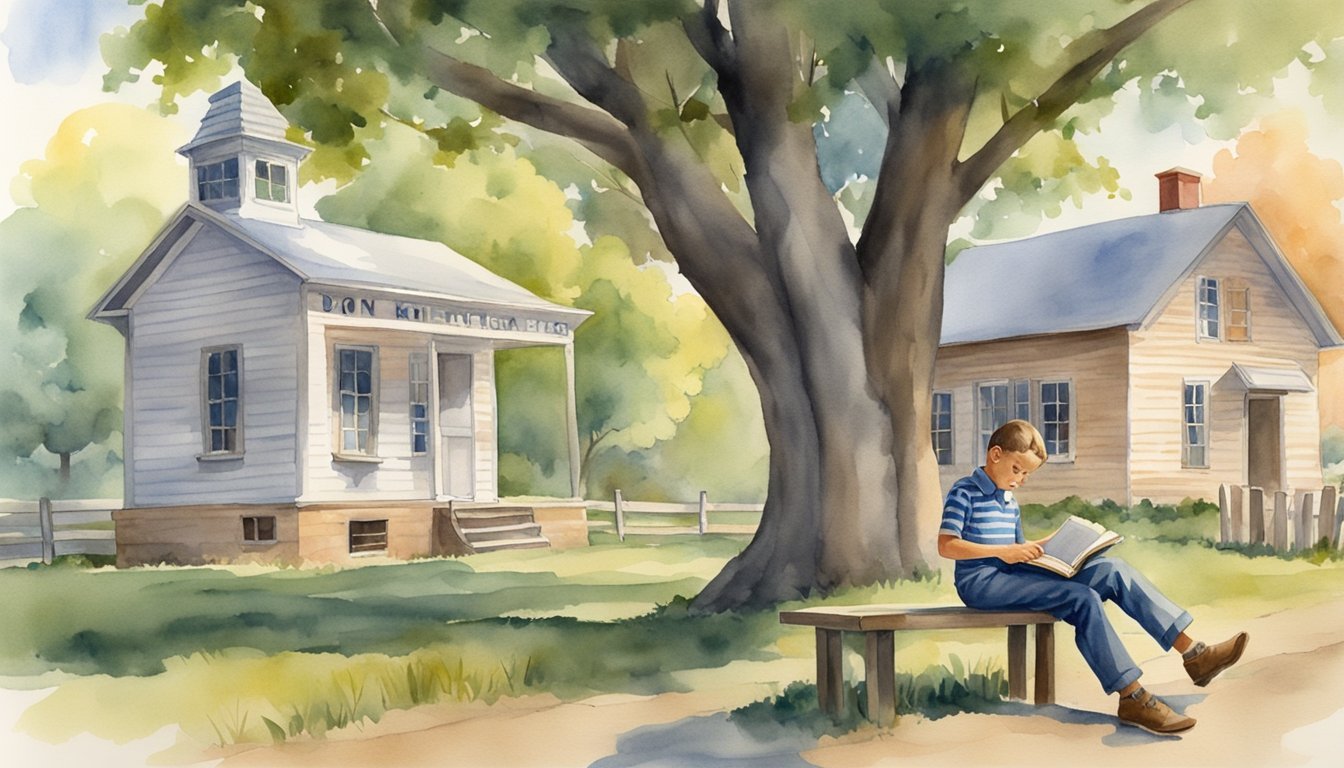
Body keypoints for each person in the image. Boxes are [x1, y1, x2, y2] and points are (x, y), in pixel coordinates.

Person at [937, 419, 1248, 735]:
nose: (1021, 479)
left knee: (1113, 571)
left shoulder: (1008, 500)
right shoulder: (965, 491)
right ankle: (1132, 696)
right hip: (981, 583)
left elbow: (1018, 548)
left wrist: (1050, 544)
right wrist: (1003, 552)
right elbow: (946, 545)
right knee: (1081, 598)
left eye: (1026, 474)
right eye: (1017, 469)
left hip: (1011, 572)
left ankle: (1195, 654)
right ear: (996, 454)